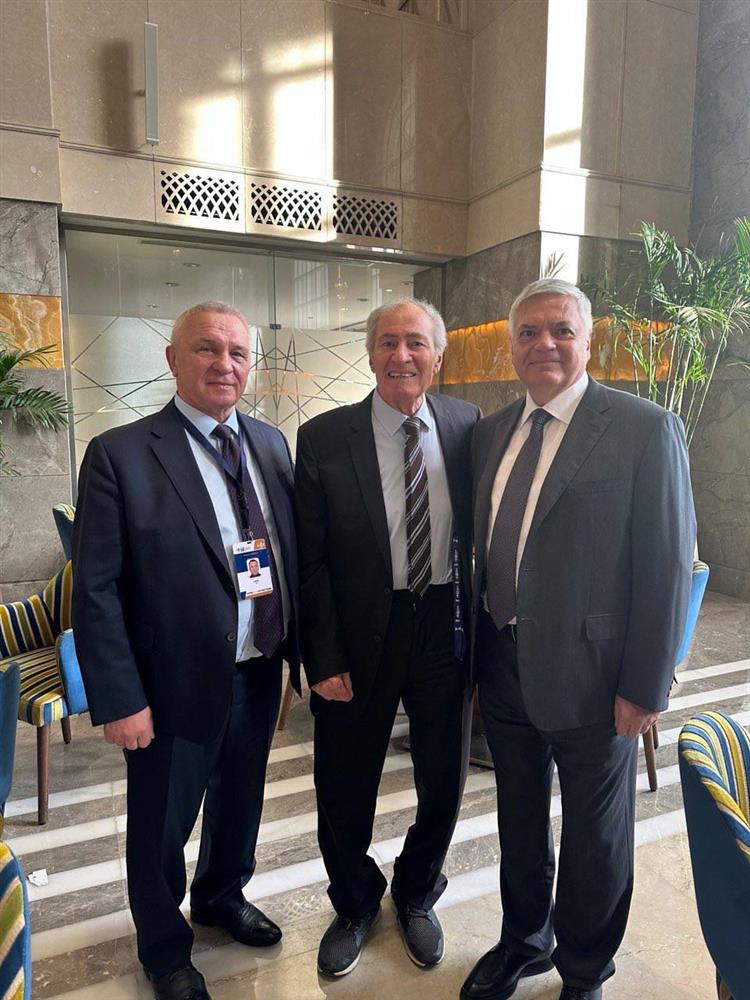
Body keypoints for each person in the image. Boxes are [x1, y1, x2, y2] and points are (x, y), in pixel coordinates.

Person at [462, 279, 695, 1000]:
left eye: (561, 330)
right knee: (519, 820)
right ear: (512, 346)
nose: (545, 344)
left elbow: (666, 565)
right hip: (503, 667)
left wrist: (644, 687)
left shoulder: (643, 428)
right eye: (529, 332)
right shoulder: (490, 432)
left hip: (598, 680)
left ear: (588, 341)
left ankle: (586, 968)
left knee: (596, 837)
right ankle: (525, 940)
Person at [72, 301, 300, 1000]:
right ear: (173, 360)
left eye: (237, 352)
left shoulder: (269, 443)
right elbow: (97, 589)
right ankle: (164, 948)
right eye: (207, 349)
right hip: (167, 684)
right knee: (160, 826)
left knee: (241, 801)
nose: (224, 364)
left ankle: (222, 896)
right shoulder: (122, 454)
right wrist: (121, 697)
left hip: (257, 669)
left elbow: (285, 555)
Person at [295, 298, 480, 977]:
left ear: (439, 354)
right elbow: (309, 560)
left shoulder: (467, 424)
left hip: (443, 625)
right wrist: (322, 656)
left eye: (416, 342)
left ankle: (416, 892)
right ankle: (353, 901)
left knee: (445, 776)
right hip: (356, 632)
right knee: (343, 780)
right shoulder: (323, 437)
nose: (402, 355)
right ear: (370, 353)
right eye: (388, 342)